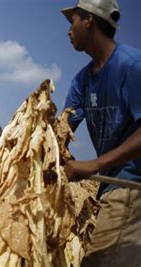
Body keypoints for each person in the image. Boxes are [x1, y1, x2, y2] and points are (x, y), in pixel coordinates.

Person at [60, 0, 141, 266]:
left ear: (89, 20)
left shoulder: (131, 66)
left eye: (73, 21)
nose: (69, 30)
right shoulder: (82, 80)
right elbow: (63, 128)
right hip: (110, 188)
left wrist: (94, 164)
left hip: (131, 186)